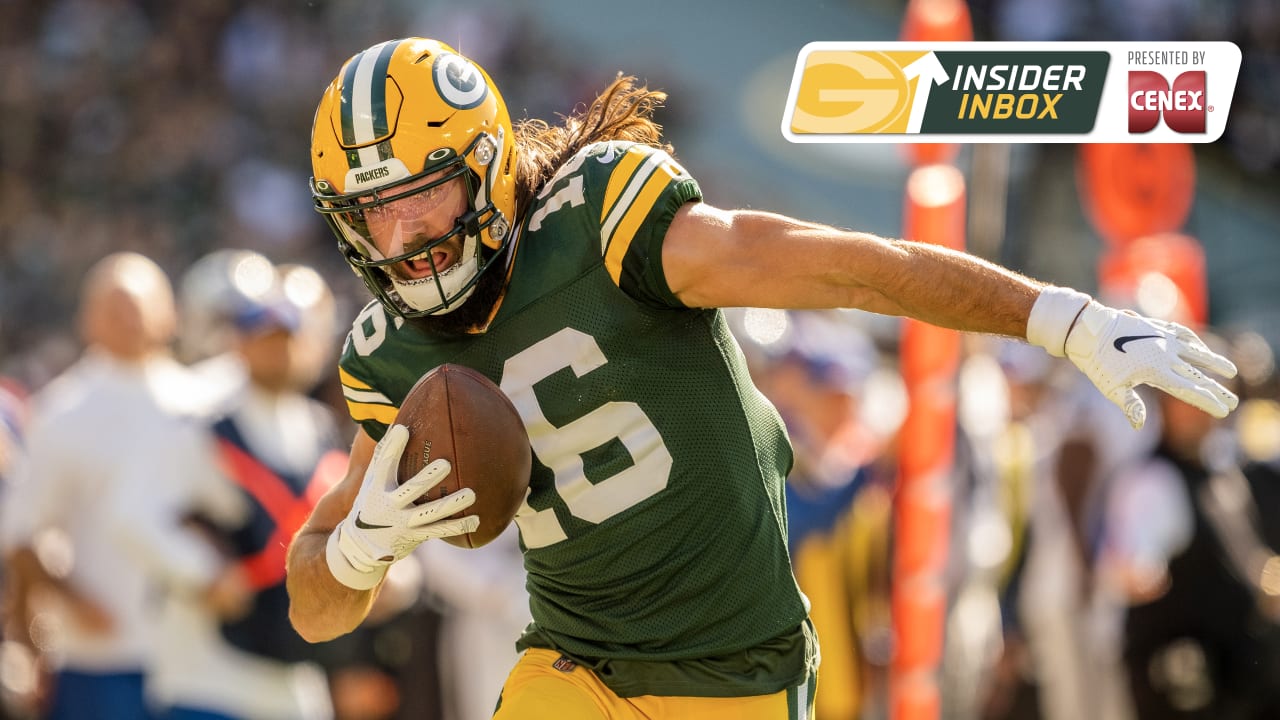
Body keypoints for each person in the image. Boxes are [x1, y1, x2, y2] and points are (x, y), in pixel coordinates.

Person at [285, 38, 1239, 719]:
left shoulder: (603, 222)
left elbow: (849, 266)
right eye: (375, 214)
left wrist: (1056, 318)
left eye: (423, 196)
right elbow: (313, 603)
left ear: (488, 166)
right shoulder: (390, 352)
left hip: (734, 670)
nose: (403, 239)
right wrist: (357, 551)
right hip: (572, 667)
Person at [0, 252, 191, 720]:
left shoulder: (202, 402)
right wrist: (73, 600)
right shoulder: (63, 411)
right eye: (115, 307)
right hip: (98, 660)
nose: (130, 318)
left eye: (140, 304)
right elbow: (21, 534)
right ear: (87, 320)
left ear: (170, 315)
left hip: (196, 658)